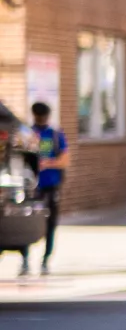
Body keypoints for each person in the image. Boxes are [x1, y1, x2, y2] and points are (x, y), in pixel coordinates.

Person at [21, 101, 66, 277]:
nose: (41, 119)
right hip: (31, 186)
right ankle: (25, 259)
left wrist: (49, 163)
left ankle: (45, 260)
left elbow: (65, 159)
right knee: (26, 223)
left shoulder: (55, 134)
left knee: (50, 223)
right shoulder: (27, 133)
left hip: (51, 184)